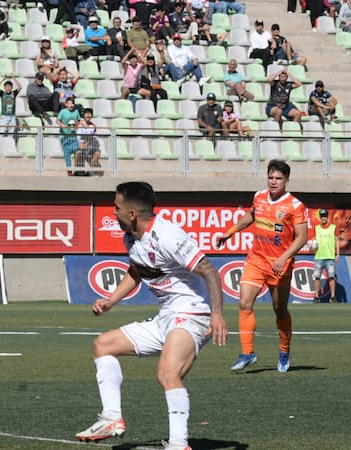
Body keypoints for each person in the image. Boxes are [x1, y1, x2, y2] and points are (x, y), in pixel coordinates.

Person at [75, 181, 227, 450]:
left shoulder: (167, 235)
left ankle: (179, 444)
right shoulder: (130, 237)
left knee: (167, 373)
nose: (114, 212)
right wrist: (110, 301)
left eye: (117, 207)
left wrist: (217, 315)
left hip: (191, 315)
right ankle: (111, 417)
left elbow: (209, 270)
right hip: (165, 318)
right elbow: (136, 271)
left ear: (132, 213)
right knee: (103, 345)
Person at [217, 160, 307, 373]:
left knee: (280, 310)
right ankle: (248, 353)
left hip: (280, 265)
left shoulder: (295, 206)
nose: (274, 182)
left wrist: (283, 257)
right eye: (271, 177)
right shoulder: (259, 197)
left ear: (287, 181)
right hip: (256, 260)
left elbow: (302, 238)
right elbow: (251, 216)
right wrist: (230, 232)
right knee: (244, 303)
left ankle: (284, 350)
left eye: (278, 178)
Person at [312, 208, 340, 303]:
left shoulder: (333, 227)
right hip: (319, 257)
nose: (323, 218)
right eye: (321, 216)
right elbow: (313, 241)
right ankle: (316, 297)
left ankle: (332, 297)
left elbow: (336, 241)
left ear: (327, 217)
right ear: (320, 217)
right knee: (317, 277)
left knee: (331, 277)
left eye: (325, 216)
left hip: (330, 257)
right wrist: (312, 247)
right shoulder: (316, 228)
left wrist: (338, 254)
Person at [57, 98, 81, 176]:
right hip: (64, 136)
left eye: (72, 103)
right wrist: (61, 125)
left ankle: (77, 169)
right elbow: (57, 120)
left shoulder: (76, 111)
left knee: (75, 149)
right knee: (67, 154)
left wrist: (80, 125)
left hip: (73, 135)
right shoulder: (63, 112)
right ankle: (69, 171)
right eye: (70, 103)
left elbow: (79, 120)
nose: (71, 105)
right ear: (66, 104)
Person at [75, 107, 101, 176]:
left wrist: (86, 144)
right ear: (84, 115)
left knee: (97, 153)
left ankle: (90, 171)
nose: (88, 115)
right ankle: (78, 171)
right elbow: (78, 138)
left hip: (89, 147)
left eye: (90, 114)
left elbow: (91, 137)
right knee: (78, 153)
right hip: (81, 146)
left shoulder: (93, 126)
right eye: (87, 114)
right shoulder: (79, 124)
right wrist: (81, 145)